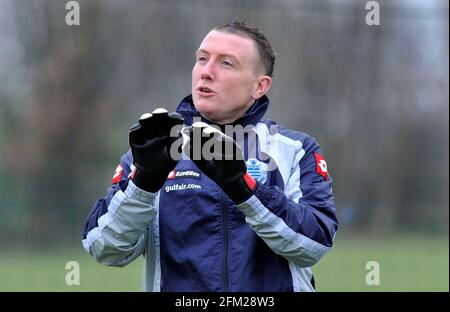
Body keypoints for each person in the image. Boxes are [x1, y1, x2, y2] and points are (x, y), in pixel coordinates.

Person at [82, 21, 338, 292]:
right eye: (202, 59)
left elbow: (314, 244)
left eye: (226, 63)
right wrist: (143, 184)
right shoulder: (153, 148)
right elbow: (104, 247)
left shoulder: (296, 150)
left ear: (259, 86)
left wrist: (244, 190)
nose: (206, 72)